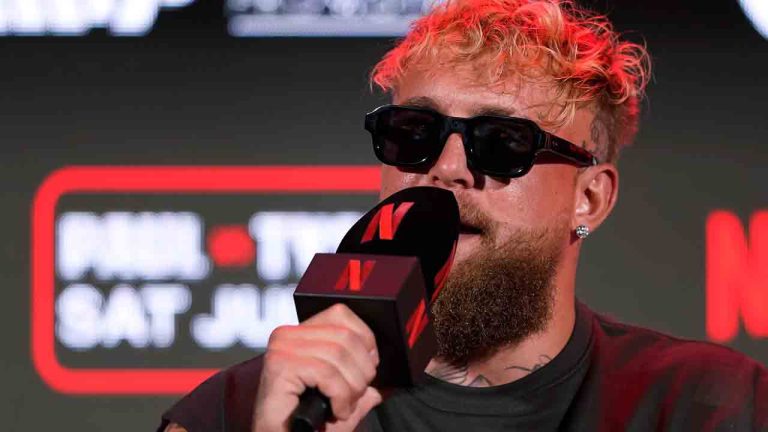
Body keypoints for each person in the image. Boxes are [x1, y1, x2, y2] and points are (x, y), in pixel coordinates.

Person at [159, 0, 768, 430]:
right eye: (413, 133)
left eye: (502, 143)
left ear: (590, 199)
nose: (446, 168)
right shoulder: (245, 410)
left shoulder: (715, 406)